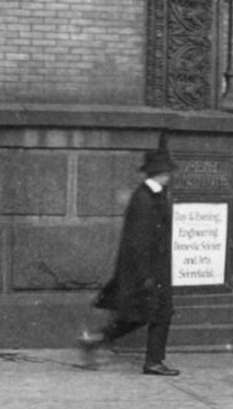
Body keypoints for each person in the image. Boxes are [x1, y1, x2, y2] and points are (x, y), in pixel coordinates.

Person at [77, 144, 179, 376]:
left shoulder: (153, 195)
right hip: (147, 271)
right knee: (159, 313)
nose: (170, 175)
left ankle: (94, 341)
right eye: (167, 172)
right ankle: (153, 361)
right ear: (159, 173)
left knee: (142, 315)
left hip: (150, 269)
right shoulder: (145, 199)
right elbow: (139, 242)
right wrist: (146, 276)